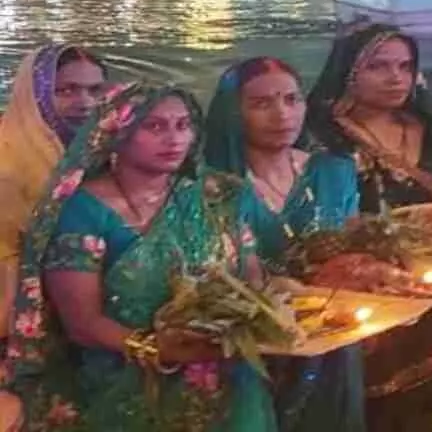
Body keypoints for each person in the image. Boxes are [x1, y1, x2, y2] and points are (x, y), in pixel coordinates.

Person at [6, 84, 277, 430]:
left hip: (227, 369)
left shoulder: (214, 194)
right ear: (117, 133)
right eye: (155, 126)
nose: (174, 139)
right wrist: (154, 349)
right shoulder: (85, 211)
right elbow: (83, 323)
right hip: (126, 379)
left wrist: (261, 319)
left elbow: (251, 276)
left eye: (183, 125)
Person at [305, 25, 432, 431]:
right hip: (369, 287)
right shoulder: (322, 139)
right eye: (377, 66)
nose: (396, 77)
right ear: (347, 73)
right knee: (380, 395)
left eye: (405, 66)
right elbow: (317, 222)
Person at [204, 58, 364, 432]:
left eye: (292, 99)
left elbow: (355, 247)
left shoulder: (334, 172)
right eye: (262, 104)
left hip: (332, 335)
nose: (282, 115)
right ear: (232, 113)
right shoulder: (210, 187)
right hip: (247, 344)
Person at [0, 45, 106, 334]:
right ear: (34, 95)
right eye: (66, 90)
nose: (85, 103)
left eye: (95, 90)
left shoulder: (102, 149)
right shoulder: (6, 160)